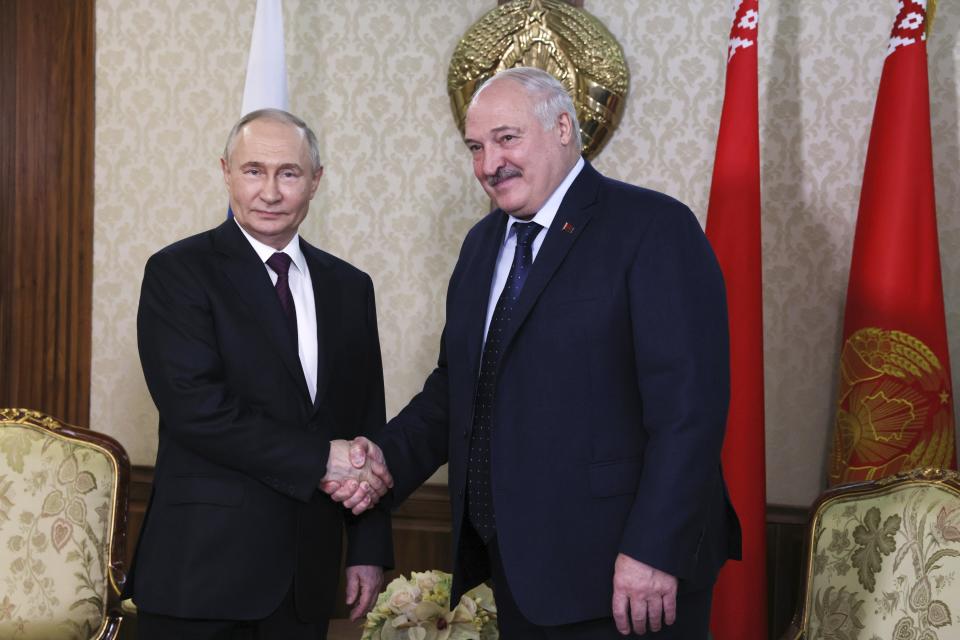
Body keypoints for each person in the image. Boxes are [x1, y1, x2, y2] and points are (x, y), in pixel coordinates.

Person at [328, 68, 741, 638]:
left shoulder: (652, 227)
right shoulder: (481, 245)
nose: (489, 163)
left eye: (507, 138)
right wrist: (380, 462)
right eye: (476, 146)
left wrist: (655, 550)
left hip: (628, 578)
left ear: (564, 127)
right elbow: (456, 390)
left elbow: (689, 411)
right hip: (520, 575)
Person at [129, 108, 395, 640]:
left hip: (305, 578)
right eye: (254, 171)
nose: (269, 191)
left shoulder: (350, 286)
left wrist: (367, 549)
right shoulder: (177, 272)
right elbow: (197, 411)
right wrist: (321, 458)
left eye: (288, 173)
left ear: (315, 181)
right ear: (226, 172)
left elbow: (367, 419)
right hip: (200, 575)